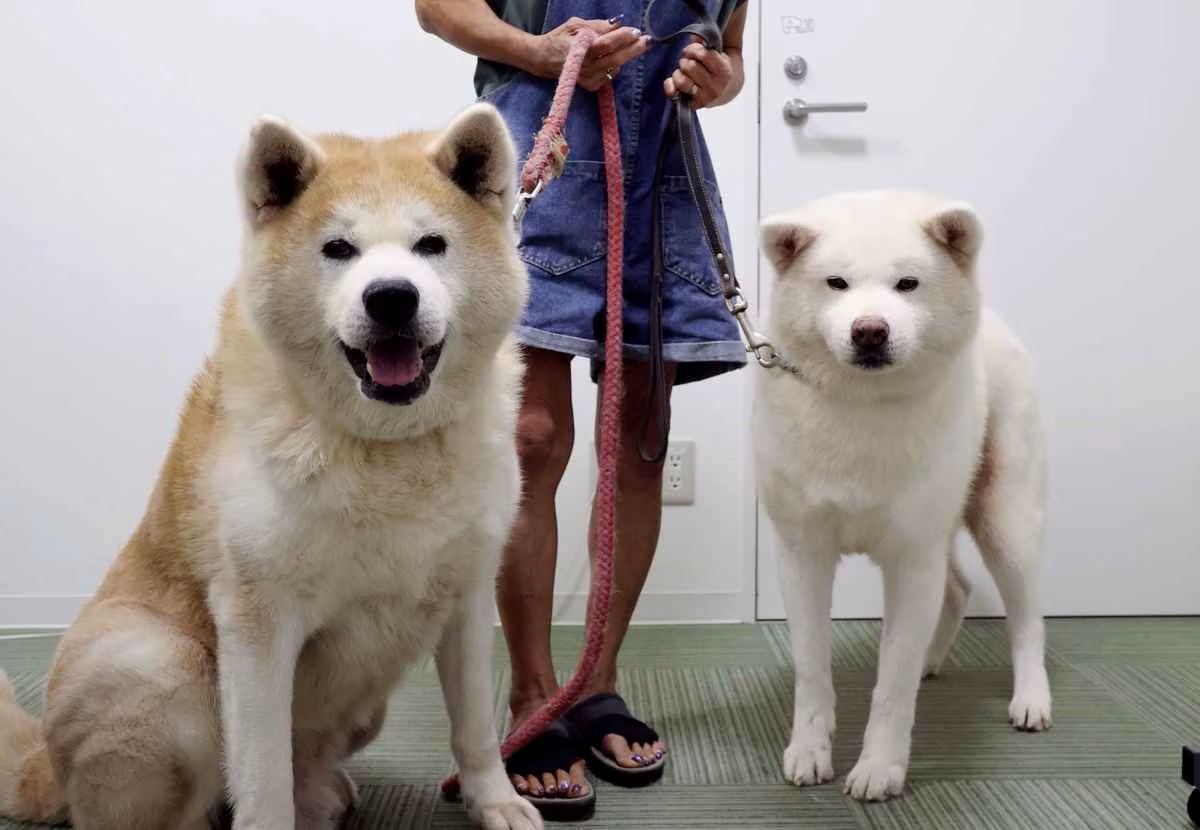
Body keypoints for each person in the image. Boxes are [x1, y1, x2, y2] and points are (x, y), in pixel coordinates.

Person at [416, 0, 749, 819]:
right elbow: (436, 7)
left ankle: (597, 682)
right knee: (528, 437)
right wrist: (535, 50)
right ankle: (534, 692)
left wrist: (717, 79)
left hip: (663, 179)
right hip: (539, 150)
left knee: (640, 441)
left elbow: (733, 49)